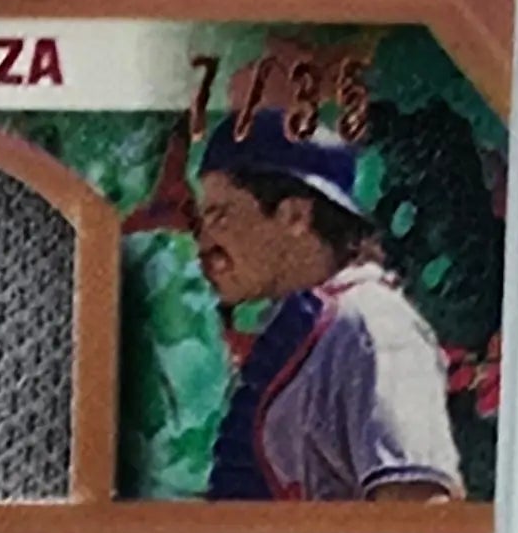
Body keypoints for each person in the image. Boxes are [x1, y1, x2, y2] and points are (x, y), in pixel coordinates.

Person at [194, 106, 461, 505]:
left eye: (220, 217)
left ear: (295, 215)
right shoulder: (311, 322)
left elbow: (416, 515)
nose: (204, 244)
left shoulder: (375, 325)